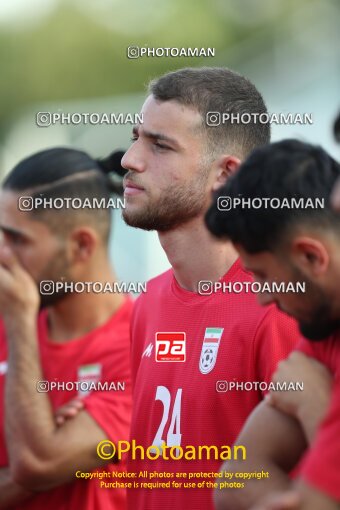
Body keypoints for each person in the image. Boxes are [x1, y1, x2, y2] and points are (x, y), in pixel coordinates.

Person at [120, 67, 300, 510]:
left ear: (225, 174)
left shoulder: (279, 307)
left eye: (160, 145)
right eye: (136, 136)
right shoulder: (147, 303)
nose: (129, 159)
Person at [205, 139, 340, 510]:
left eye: (263, 277)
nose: (262, 298)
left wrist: (317, 409)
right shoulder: (321, 330)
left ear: (312, 256)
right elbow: (235, 483)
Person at [0, 148, 133, 509]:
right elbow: (42, 462)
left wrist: (18, 322)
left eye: (17, 240)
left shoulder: (143, 346)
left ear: (81, 246)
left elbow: (36, 464)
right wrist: (48, 441)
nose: (2, 253)